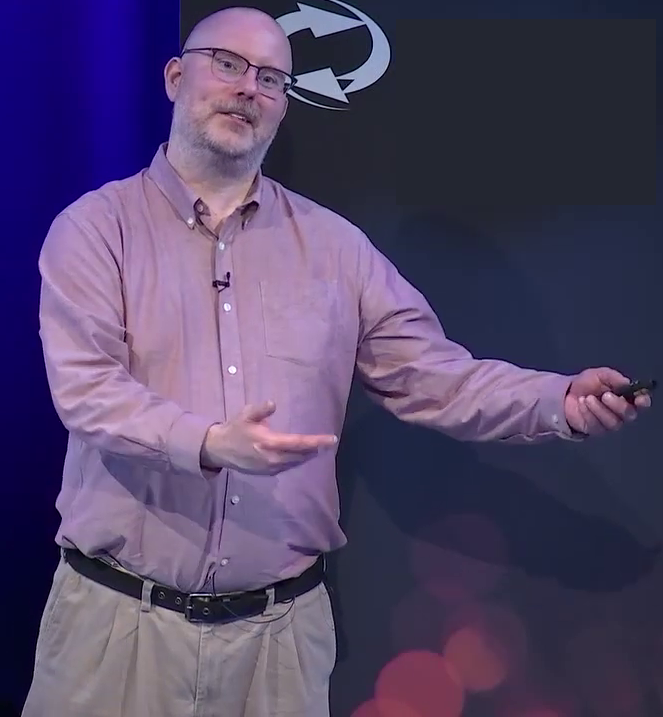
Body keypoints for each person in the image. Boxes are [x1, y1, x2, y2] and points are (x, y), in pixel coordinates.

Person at [23, 6, 652, 717]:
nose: (247, 88)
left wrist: (556, 400)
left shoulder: (336, 249)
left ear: (284, 104)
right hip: (117, 628)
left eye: (270, 79)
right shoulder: (95, 230)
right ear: (175, 77)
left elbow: (434, 377)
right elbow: (88, 391)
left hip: (277, 644)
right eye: (227, 64)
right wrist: (208, 443)